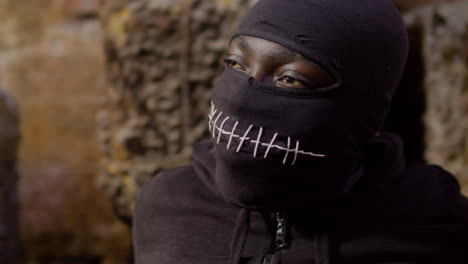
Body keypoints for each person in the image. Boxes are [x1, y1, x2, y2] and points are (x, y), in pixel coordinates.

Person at [133, 0, 468, 263]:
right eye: (236, 64)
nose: (242, 95)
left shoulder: (433, 223)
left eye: (290, 78)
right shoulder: (169, 206)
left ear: (363, 110)